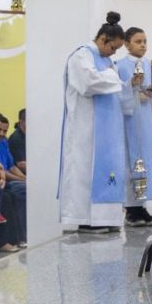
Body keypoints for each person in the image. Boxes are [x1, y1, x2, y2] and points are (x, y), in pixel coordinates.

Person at [60, 12, 130, 233]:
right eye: (113, 48)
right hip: (86, 127)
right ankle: (85, 219)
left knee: (108, 170)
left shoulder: (107, 60)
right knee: (85, 170)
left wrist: (114, 77)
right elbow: (88, 83)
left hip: (107, 130)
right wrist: (112, 76)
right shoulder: (81, 56)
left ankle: (106, 218)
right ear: (102, 40)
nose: (114, 53)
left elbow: (115, 83)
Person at [116, 26, 152, 226]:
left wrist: (151, 92)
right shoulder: (121, 65)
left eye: (145, 41)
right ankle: (131, 209)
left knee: (146, 161)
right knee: (132, 162)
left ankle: (142, 206)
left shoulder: (150, 64)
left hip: (146, 120)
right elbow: (120, 92)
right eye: (138, 41)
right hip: (131, 121)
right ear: (126, 44)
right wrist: (134, 90)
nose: (143, 45)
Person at [0, 113, 25, 182]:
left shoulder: (4, 141)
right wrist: (23, 180)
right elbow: (0, 172)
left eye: (5, 131)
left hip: (11, 180)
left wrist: (26, 178)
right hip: (1, 181)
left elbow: (12, 167)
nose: (1, 134)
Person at [7, 108, 27, 177]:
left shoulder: (29, 136)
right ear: (21, 122)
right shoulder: (16, 138)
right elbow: (21, 165)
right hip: (20, 175)